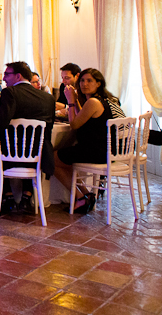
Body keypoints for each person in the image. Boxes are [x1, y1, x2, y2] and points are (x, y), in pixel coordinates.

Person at [0, 61, 56, 213]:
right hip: (40, 153)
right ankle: (27, 196)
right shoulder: (48, 98)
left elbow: (1, 123)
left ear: (18, 76)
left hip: (11, 152)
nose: (4, 78)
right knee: (28, 146)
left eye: (7, 74)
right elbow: (49, 128)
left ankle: (7, 195)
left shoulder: (10, 93)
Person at [53, 68, 117, 214]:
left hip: (95, 151)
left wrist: (70, 101)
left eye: (89, 81)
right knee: (64, 160)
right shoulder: (98, 100)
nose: (84, 84)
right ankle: (85, 194)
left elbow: (74, 124)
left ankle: (80, 197)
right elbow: (81, 116)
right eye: (82, 80)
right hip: (102, 150)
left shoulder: (93, 102)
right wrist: (75, 102)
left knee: (52, 158)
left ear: (98, 84)